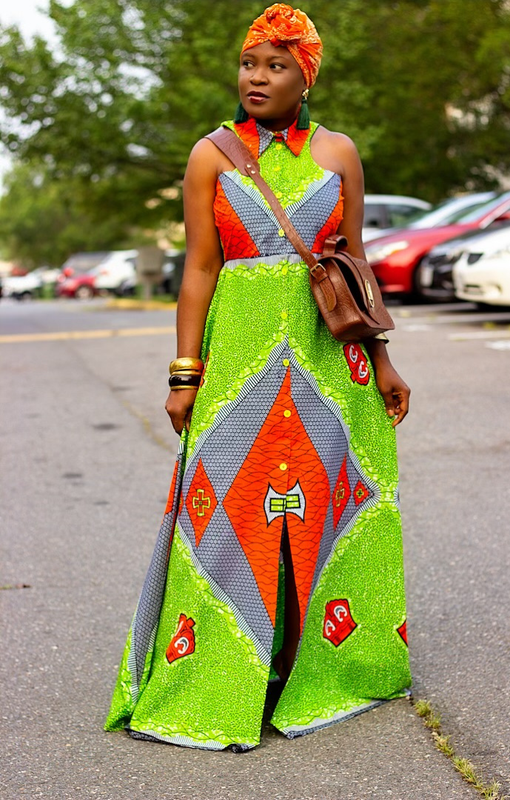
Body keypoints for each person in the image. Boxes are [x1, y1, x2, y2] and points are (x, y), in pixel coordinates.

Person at [105, 3, 411, 751]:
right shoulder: (210, 154)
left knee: (331, 505)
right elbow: (198, 269)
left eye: (276, 66)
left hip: (326, 362)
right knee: (226, 511)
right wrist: (185, 374)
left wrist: (381, 359)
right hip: (239, 360)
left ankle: (317, 666)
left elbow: (353, 262)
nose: (257, 78)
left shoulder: (338, 151)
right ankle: (223, 672)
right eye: (250, 64)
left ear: (305, 80)